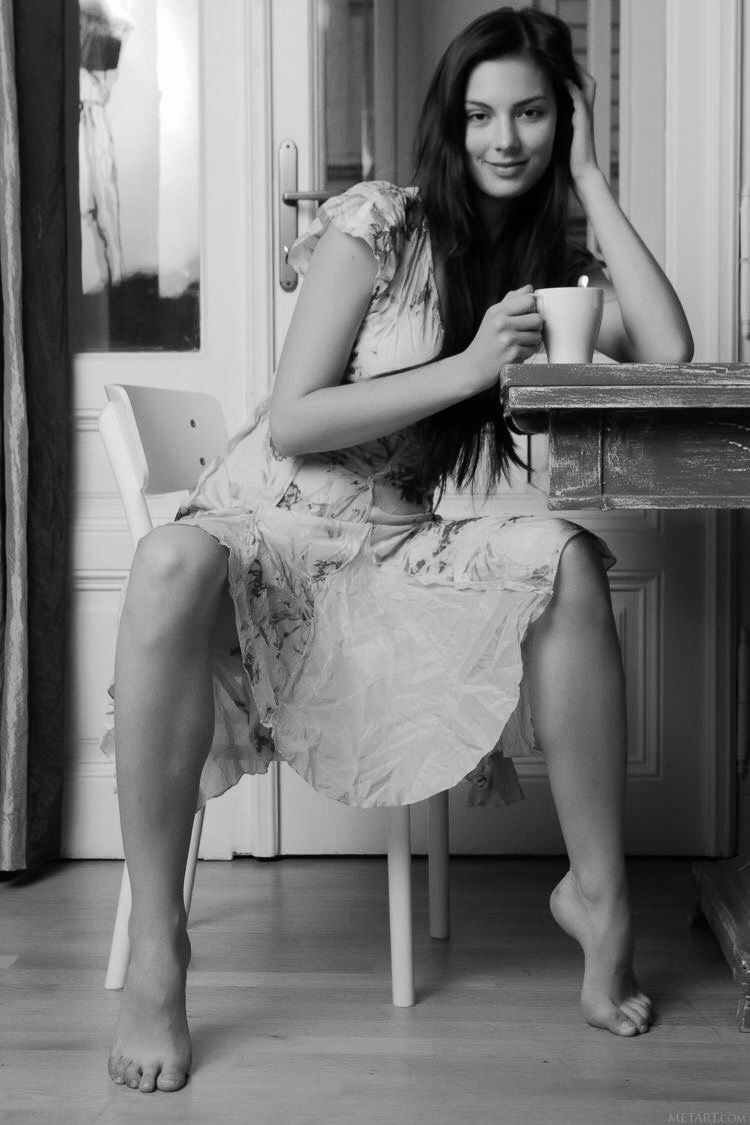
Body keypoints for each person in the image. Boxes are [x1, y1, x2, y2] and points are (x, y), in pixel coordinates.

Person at [105, 5, 693, 1093]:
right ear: (449, 122)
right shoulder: (379, 222)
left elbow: (670, 349)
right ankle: (157, 949)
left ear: (560, 123)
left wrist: (593, 179)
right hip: (268, 527)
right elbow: (294, 419)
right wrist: (469, 368)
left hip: (391, 551)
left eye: (532, 115)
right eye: (481, 114)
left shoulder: (539, 267)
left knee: (565, 559)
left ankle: (599, 901)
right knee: (165, 562)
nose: (505, 138)